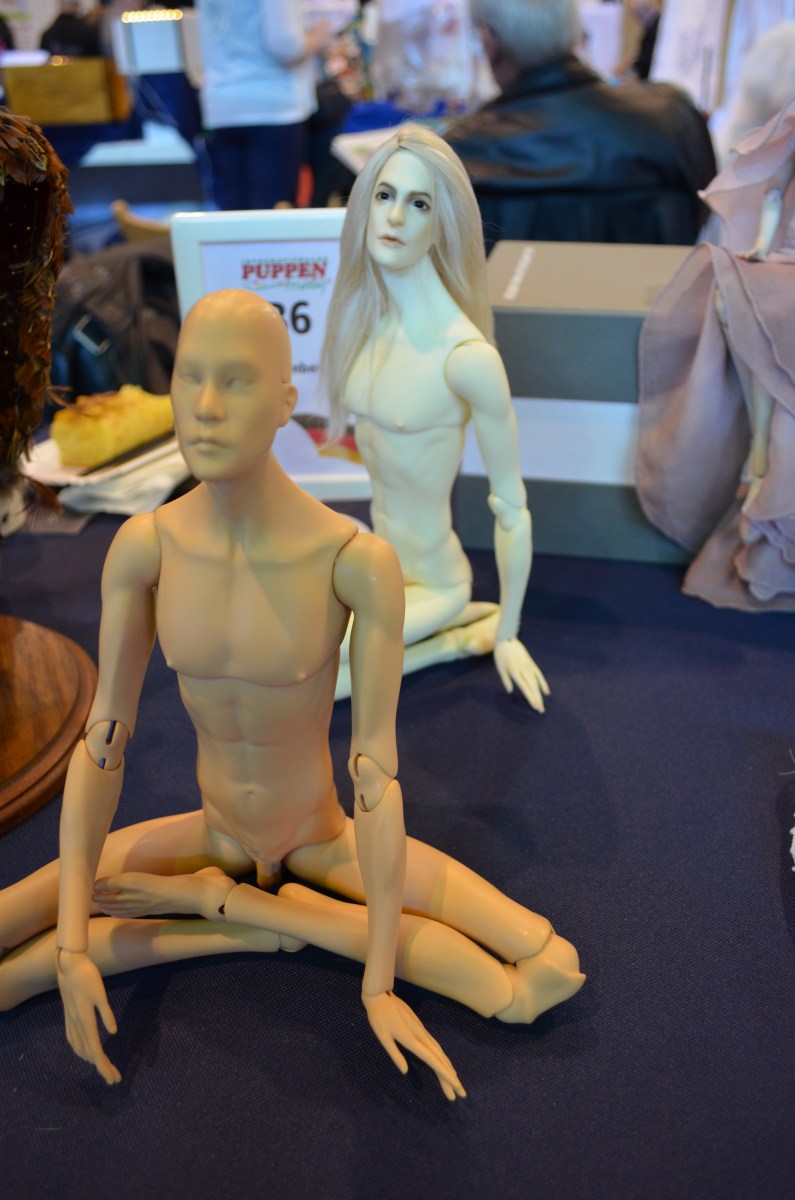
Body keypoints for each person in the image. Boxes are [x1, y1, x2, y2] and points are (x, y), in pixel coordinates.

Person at [0, 290, 584, 1098]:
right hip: (211, 830)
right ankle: (241, 921)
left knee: (542, 971)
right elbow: (103, 742)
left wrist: (334, 961)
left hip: (322, 837)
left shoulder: (354, 561)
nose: (206, 407)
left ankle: (246, 917)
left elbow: (375, 775)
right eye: (190, 377)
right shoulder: (145, 549)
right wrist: (71, 946)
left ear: (285, 401)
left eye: (236, 381)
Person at [322, 124, 549, 709]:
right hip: (373, 561)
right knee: (269, 642)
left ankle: (453, 637)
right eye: (384, 195)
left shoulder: (466, 358)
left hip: (434, 578)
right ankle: (452, 638)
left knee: (314, 674)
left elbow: (512, 509)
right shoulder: (362, 326)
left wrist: (509, 634)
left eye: (419, 203)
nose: (395, 216)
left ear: (441, 222)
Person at [637, 98, 795, 612]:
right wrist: (763, 244)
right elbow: (773, 191)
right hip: (786, 261)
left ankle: (765, 465)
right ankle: (759, 460)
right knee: (741, 307)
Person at [443, 0, 717, 250]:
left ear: (489, 40)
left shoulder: (460, 154)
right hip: (661, 289)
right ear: (575, 30)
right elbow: (708, 223)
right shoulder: (672, 118)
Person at [196, 0, 333, 210]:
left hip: (222, 105)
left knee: (233, 215)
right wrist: (319, 37)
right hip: (273, 104)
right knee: (270, 217)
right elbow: (287, 47)